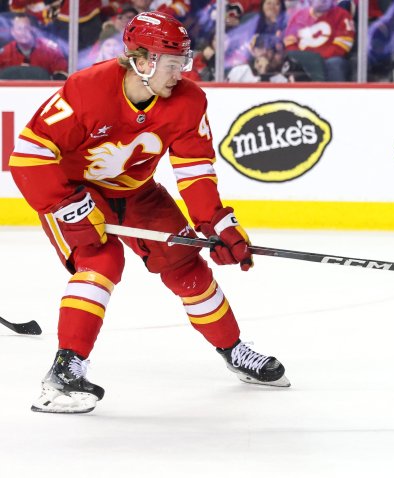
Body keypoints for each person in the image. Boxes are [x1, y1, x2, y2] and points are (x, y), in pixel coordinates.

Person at [9, 11, 289, 414]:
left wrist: (218, 224)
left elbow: (195, 171)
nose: (182, 72)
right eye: (173, 64)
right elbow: (30, 155)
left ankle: (234, 350)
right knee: (101, 261)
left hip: (138, 193)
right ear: (142, 62)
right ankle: (64, 371)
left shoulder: (189, 101)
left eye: (184, 62)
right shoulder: (87, 89)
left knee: (186, 266)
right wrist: (66, 206)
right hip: (74, 193)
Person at [284, 0, 355, 81]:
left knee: (335, 63)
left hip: (328, 60)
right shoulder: (298, 16)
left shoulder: (342, 15)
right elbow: (290, 43)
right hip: (302, 62)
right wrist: (301, 59)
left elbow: (343, 45)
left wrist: (316, 60)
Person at [0, 14, 68, 79]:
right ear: (13, 32)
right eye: (19, 29)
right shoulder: (4, 53)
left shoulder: (51, 50)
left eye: (26, 27)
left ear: (34, 30)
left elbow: (62, 75)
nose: (24, 32)